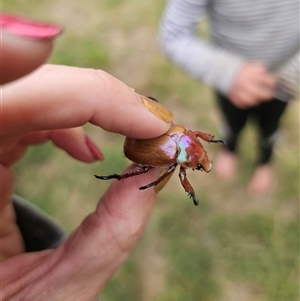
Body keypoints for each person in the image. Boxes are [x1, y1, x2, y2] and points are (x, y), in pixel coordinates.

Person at [0, 13, 174, 300]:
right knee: (150, 165)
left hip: (152, 152)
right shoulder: (175, 150)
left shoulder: (176, 151)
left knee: (150, 166)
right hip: (150, 151)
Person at [158, 0, 299, 194]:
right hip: (230, 82)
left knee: (270, 127)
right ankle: (229, 149)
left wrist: (292, 71)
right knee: (232, 122)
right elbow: (174, 35)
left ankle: (265, 162)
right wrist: (228, 73)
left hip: (283, 81)